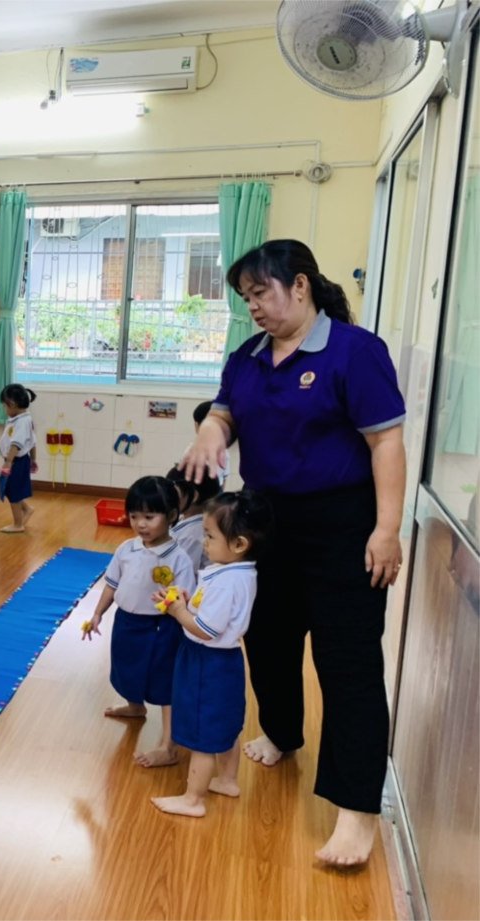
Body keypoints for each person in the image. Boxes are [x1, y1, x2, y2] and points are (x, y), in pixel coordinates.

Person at [182, 239, 407, 866]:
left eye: (261, 292)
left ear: (300, 286)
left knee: (348, 662)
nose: (252, 306)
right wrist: (209, 431)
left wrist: (387, 529)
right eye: (246, 297)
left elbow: (387, 443)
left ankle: (356, 810)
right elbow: (224, 414)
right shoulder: (248, 356)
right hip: (266, 521)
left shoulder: (355, 351)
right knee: (269, 640)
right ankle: (282, 732)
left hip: (343, 524)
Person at [151, 491, 272, 817]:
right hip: (226, 662)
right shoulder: (238, 572)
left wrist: (177, 611)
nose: (204, 542)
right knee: (224, 726)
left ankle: (193, 799)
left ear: (239, 544)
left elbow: (206, 629)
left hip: (206, 663)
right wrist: (187, 602)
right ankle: (228, 780)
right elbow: (213, 613)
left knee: (202, 733)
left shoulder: (225, 583)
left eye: (210, 536)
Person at [84, 476, 197, 768]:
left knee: (164, 682)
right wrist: (97, 613)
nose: (140, 524)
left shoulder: (178, 558)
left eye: (149, 517)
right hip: (126, 623)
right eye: (134, 516)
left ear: (171, 515)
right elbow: (111, 584)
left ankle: (169, 746)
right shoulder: (126, 549)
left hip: (162, 627)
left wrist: (173, 605)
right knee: (127, 669)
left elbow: (184, 599)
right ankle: (136, 707)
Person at [0, 384, 38, 533]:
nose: (4, 409)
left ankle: (18, 524)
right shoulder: (23, 419)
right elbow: (33, 442)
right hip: (18, 461)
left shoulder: (21, 422)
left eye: (4, 406)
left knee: (14, 492)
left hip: (16, 462)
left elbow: (16, 443)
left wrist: (8, 462)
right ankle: (27, 509)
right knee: (11, 490)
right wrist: (33, 459)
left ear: (12, 404)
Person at [167, 465, 222, 570]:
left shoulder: (192, 534)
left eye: (173, 493)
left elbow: (181, 570)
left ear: (193, 496)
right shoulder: (183, 518)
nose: (167, 497)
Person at [190, 401, 229, 488]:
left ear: (197, 426)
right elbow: (224, 480)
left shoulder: (191, 450)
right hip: (216, 492)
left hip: (198, 491)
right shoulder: (224, 452)